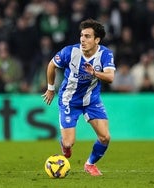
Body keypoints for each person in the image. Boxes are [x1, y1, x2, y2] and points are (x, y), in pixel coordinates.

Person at [42, 18, 115, 176]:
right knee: (69, 143)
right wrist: (50, 88)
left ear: (97, 40)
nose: (83, 39)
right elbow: (51, 65)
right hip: (69, 100)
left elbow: (110, 77)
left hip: (92, 100)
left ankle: (90, 164)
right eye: (82, 35)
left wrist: (94, 73)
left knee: (105, 137)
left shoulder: (105, 54)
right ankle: (65, 146)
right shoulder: (70, 51)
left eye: (88, 36)